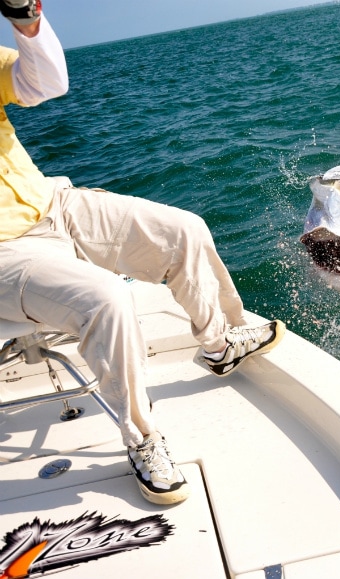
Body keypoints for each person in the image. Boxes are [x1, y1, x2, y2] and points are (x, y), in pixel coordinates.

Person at [0, 1, 285, 505]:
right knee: (107, 298)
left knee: (184, 230)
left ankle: (218, 344)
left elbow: (43, 84)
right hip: (5, 252)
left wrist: (24, 17)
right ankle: (142, 439)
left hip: (52, 203)